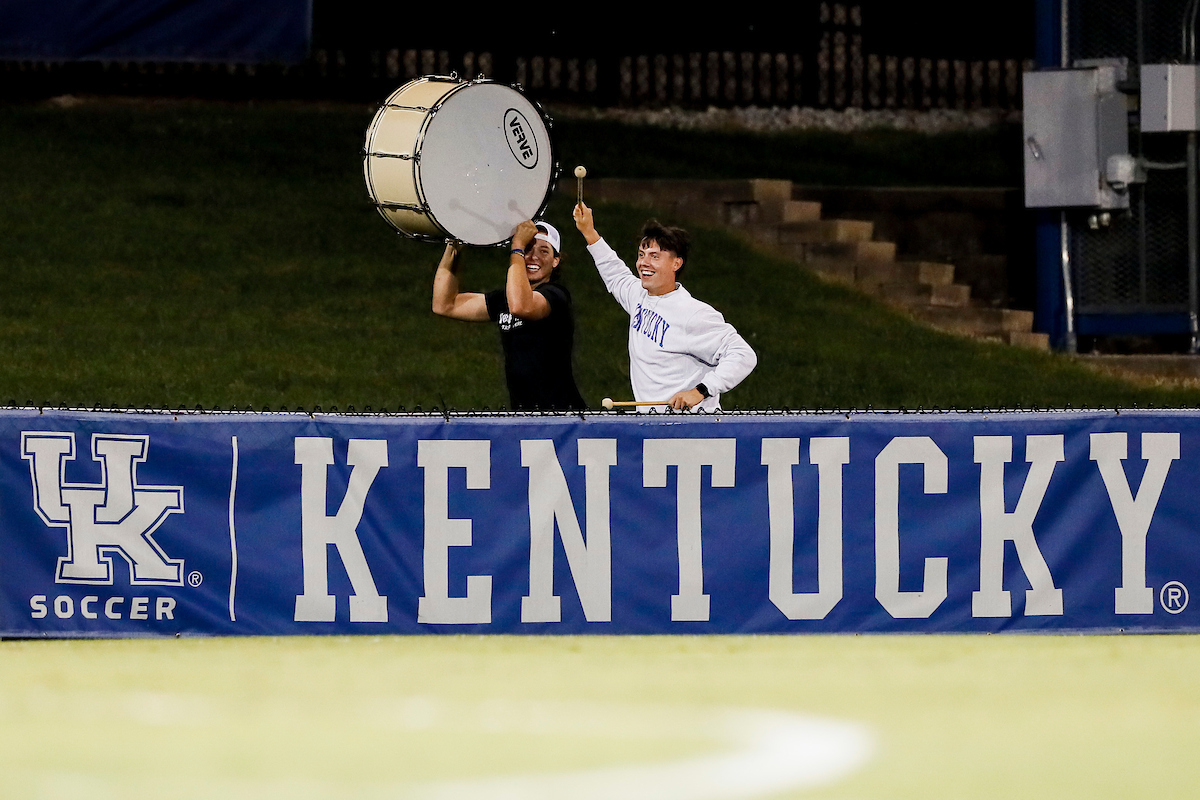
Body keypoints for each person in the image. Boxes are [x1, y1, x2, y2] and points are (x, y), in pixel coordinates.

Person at [573, 202, 756, 412]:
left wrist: (700, 391)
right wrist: (589, 232)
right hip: (656, 428)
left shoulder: (693, 313)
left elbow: (743, 354)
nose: (643, 262)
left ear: (676, 264)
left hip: (694, 430)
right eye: (641, 255)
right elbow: (615, 273)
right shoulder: (639, 297)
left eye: (655, 256)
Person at [432, 220, 587, 411]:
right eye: (528, 248)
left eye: (544, 251)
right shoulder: (506, 298)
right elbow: (445, 304)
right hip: (524, 416)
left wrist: (517, 247)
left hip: (563, 418)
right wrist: (454, 247)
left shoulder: (556, 296)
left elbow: (521, 306)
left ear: (556, 261)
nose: (533, 257)